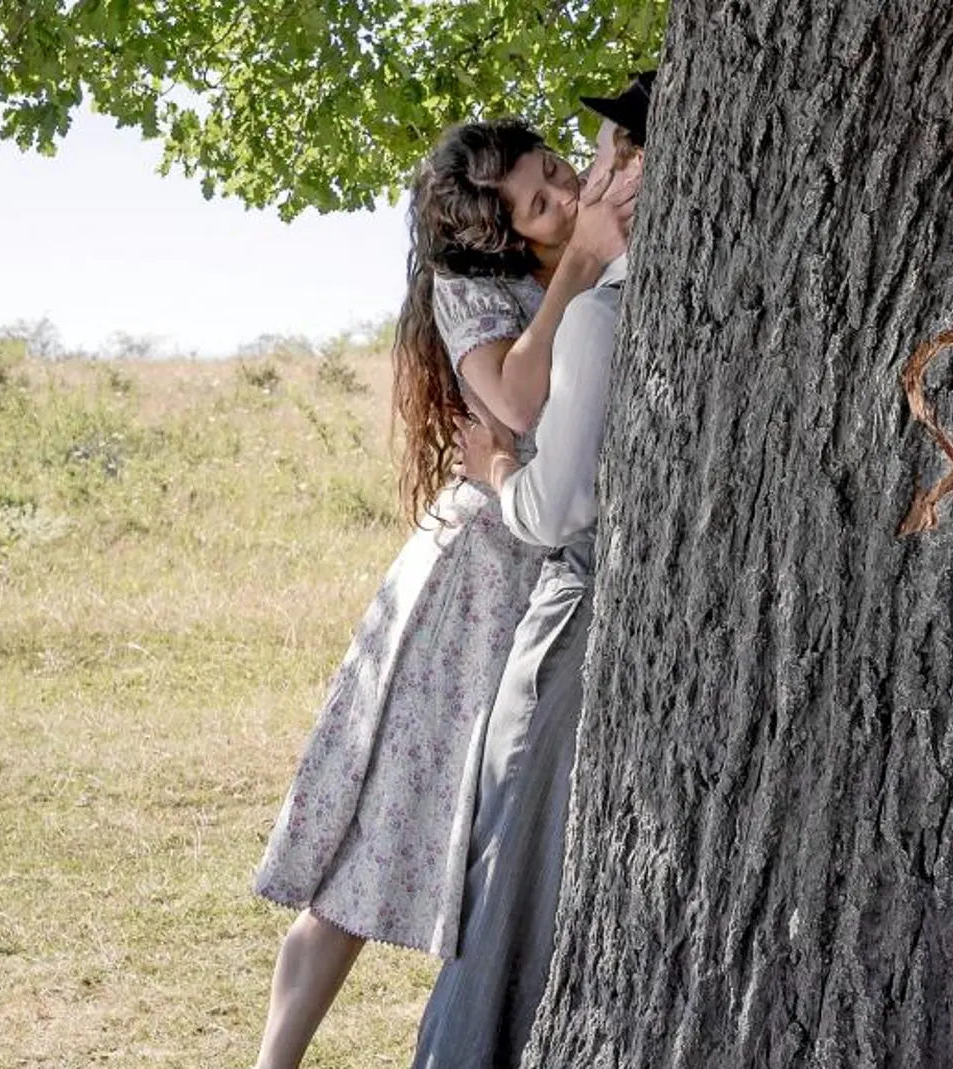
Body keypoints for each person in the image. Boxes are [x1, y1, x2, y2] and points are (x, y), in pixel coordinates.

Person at [250, 118, 636, 1069]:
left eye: (556, 174)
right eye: (536, 204)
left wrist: (597, 176)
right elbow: (511, 403)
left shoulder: (574, 237)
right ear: (503, 236)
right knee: (390, 820)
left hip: (544, 567)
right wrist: (577, 270)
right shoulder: (480, 288)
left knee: (507, 819)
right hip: (474, 581)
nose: (560, 196)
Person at [411, 71, 653, 1069]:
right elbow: (553, 503)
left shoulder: (610, 299)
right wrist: (504, 481)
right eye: (545, 202)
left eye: (563, 169)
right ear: (524, 244)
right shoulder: (577, 309)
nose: (578, 188)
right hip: (562, 611)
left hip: (590, 610)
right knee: (515, 883)